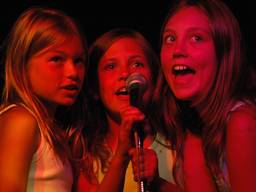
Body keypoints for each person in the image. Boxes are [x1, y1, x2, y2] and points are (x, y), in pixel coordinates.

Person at [156, 0, 256, 191]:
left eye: (196, 38)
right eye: (170, 39)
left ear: (224, 50)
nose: (178, 50)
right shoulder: (195, 128)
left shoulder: (243, 122)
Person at [73, 28, 180, 192]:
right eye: (110, 66)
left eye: (137, 64)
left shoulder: (177, 144)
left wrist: (159, 184)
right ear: (94, 87)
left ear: (154, 78)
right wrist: (121, 156)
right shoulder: (87, 159)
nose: (125, 73)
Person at [0, 6, 87, 191]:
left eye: (78, 61)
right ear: (22, 64)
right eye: (57, 59)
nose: (73, 72)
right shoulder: (21, 121)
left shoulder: (51, 130)